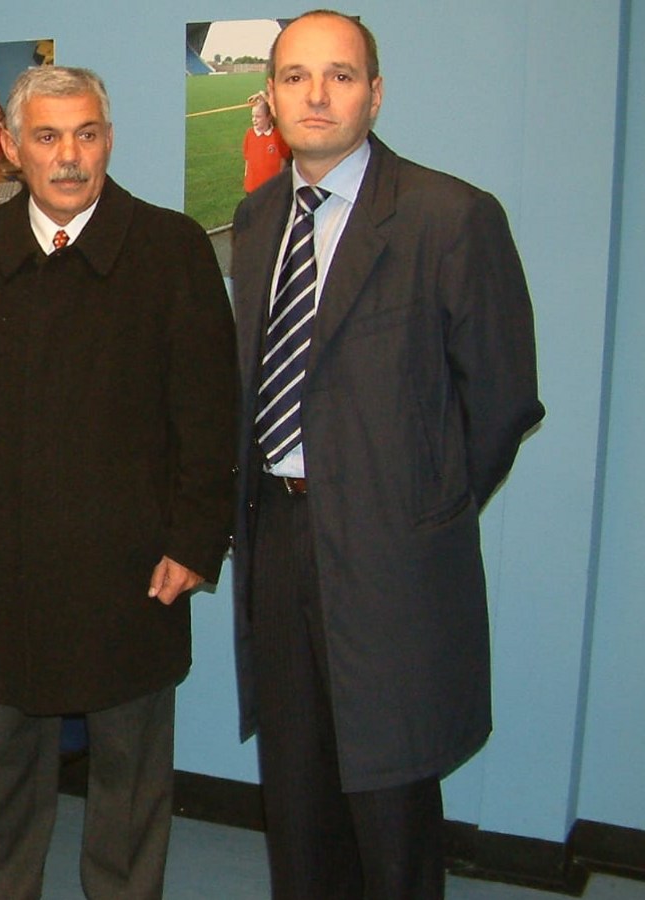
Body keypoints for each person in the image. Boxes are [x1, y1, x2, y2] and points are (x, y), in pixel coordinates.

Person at [229, 12, 544, 899]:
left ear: (376, 91)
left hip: (394, 554)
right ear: (271, 96)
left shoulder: (451, 216)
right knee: (296, 792)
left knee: (391, 800)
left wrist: (425, 509)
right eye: (294, 77)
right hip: (279, 540)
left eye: (339, 75)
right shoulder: (255, 222)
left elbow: (503, 397)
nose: (315, 94)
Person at [0, 65, 238, 900]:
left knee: (131, 783)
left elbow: (209, 414)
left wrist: (194, 542)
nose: (68, 156)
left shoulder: (172, 247)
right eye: (47, 136)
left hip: (136, 568)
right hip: (8, 562)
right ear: (11, 147)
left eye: (86, 135)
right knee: (0, 777)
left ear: (108, 141)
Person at [242, 90, 291, 193]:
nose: (254, 120)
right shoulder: (250, 134)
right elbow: (247, 160)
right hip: (252, 188)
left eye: (258, 117)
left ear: (269, 118)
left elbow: (283, 161)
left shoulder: (277, 135)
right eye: (253, 116)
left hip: (271, 188)